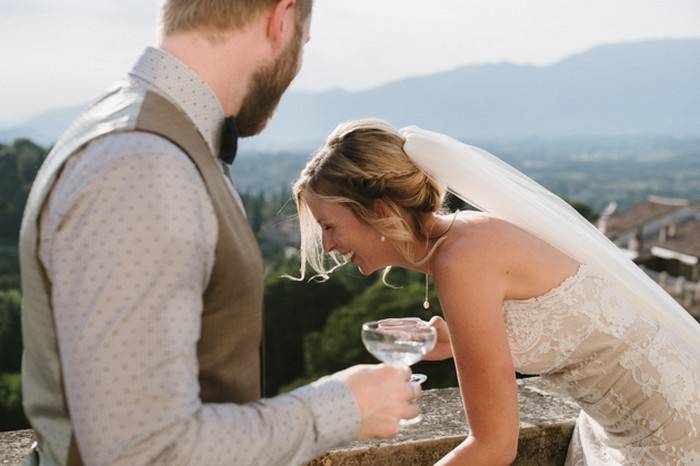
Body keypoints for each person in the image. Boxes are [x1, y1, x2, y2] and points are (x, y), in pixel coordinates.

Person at [18, 3, 420, 465]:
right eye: (302, 43)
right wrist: (343, 407)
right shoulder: (143, 164)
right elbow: (141, 452)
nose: (298, 66)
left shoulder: (150, 138)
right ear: (280, 18)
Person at [292, 118, 700, 465]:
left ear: (378, 211)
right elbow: (559, 314)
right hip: (629, 417)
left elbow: (492, 447)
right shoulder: (467, 234)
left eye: (330, 226)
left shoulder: (462, 262)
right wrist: (452, 340)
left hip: (669, 428)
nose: (327, 245)